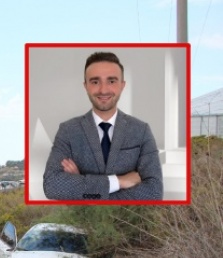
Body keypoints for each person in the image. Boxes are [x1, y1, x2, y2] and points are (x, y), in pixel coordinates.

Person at [42, 51, 163, 200]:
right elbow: (52, 185)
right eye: (95, 82)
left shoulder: (141, 130)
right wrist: (118, 181)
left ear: (122, 85)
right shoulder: (68, 131)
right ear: (85, 86)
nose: (103, 90)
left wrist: (83, 188)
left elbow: (154, 192)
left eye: (111, 81)